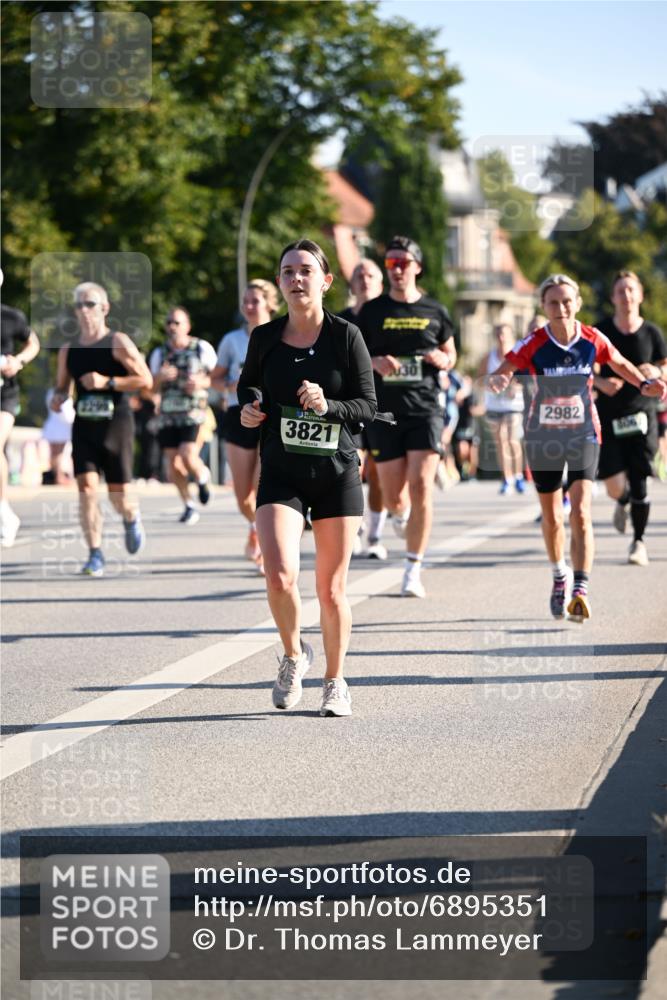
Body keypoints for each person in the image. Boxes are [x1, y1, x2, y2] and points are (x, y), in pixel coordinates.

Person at [238, 239, 378, 718]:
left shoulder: (345, 337)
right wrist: (252, 408)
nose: (296, 279)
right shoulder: (265, 337)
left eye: (305, 271)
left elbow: (367, 407)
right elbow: (248, 386)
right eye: (288, 272)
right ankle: (294, 655)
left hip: (336, 472)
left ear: (325, 281)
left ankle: (335, 680)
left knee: (331, 590)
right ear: (280, 282)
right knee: (277, 574)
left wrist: (328, 405)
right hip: (281, 469)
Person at [488, 274, 667, 622]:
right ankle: (559, 575)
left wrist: (644, 382)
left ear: (578, 303)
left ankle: (581, 589)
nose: (561, 308)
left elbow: (618, 363)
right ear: (544, 306)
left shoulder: (591, 338)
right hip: (543, 437)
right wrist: (500, 378)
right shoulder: (535, 342)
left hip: (584, 432)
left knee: (580, 511)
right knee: (553, 517)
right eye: (553, 302)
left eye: (567, 301)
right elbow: (506, 367)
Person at [357, 235, 456, 597]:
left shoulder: (435, 310)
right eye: (391, 263)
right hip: (384, 412)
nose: (397, 269)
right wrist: (373, 362)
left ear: (417, 267)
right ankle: (399, 517)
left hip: (425, 408)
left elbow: (450, 352)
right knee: (395, 496)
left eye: (403, 263)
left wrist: (445, 360)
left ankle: (413, 569)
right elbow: (352, 358)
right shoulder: (372, 312)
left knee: (421, 486)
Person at [51, 282, 152, 576]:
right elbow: (62, 387)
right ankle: (95, 553)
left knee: (118, 495)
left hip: (116, 424)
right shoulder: (68, 349)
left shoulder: (117, 341)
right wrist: (58, 399)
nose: (84, 310)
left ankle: (131, 517)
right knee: (86, 489)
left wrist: (107, 382)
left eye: (90, 304)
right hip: (84, 426)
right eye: (79, 305)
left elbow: (144, 379)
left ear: (104, 308)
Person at [593, 271, 667, 566]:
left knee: (640, 480)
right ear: (613, 298)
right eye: (620, 291)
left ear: (640, 295)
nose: (626, 296)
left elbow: (665, 366)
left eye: (631, 290)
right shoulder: (600, 332)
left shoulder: (652, 333)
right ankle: (621, 502)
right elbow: (587, 370)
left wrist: (657, 373)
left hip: (642, 415)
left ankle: (638, 542)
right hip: (609, 415)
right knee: (613, 485)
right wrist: (601, 384)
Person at [211, 280, 280, 572]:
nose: (249, 307)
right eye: (246, 301)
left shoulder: (283, 334)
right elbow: (213, 379)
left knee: (263, 487)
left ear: (270, 304)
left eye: (255, 301)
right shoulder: (231, 340)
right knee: (242, 495)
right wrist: (229, 385)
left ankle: (266, 548)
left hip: (271, 416)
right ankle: (255, 525)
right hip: (239, 414)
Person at [338, 259, 391, 558]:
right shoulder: (341, 320)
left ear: (380, 283)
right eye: (359, 274)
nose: (364, 279)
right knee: (352, 467)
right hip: (350, 405)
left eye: (370, 274)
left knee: (380, 474)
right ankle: (355, 528)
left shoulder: (388, 317)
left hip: (384, 404)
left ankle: (375, 535)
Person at [149, 307, 217, 525]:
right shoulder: (160, 353)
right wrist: (159, 378)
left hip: (194, 412)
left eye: (177, 323)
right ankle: (188, 504)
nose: (172, 327)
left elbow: (218, 377)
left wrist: (201, 382)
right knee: (173, 464)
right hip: (168, 414)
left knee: (187, 455)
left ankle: (202, 476)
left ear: (187, 326)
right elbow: (148, 389)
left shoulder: (201, 348)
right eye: (169, 322)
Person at [1, 291, 40, 546]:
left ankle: (3, 512)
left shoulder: (10, 316)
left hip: (5, 394)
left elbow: (33, 343)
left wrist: (19, 361)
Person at [480, 323, 526, 494]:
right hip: (494, 405)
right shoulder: (488, 357)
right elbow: (480, 379)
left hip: (513, 405)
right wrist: (489, 383)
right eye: (498, 334)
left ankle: (519, 475)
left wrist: (516, 387)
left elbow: (526, 378)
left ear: (510, 336)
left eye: (504, 334)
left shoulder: (517, 355)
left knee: (512, 439)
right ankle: (507, 478)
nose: (501, 338)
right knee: (500, 441)